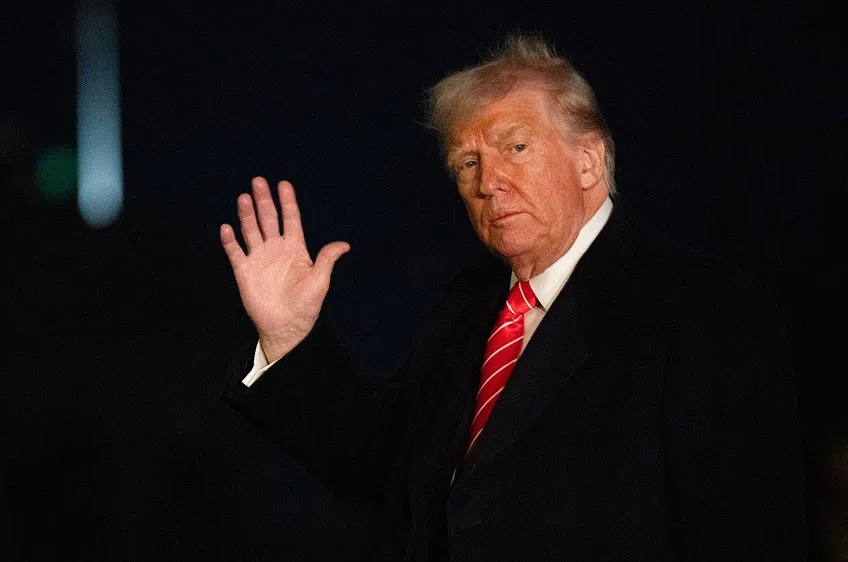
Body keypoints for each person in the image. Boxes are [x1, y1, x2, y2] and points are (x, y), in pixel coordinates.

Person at [218, 33, 806, 561]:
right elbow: (385, 467)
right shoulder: (468, 309)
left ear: (589, 161)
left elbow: (747, 535)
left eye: (516, 147)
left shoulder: (707, 310)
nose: (487, 181)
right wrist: (288, 337)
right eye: (467, 162)